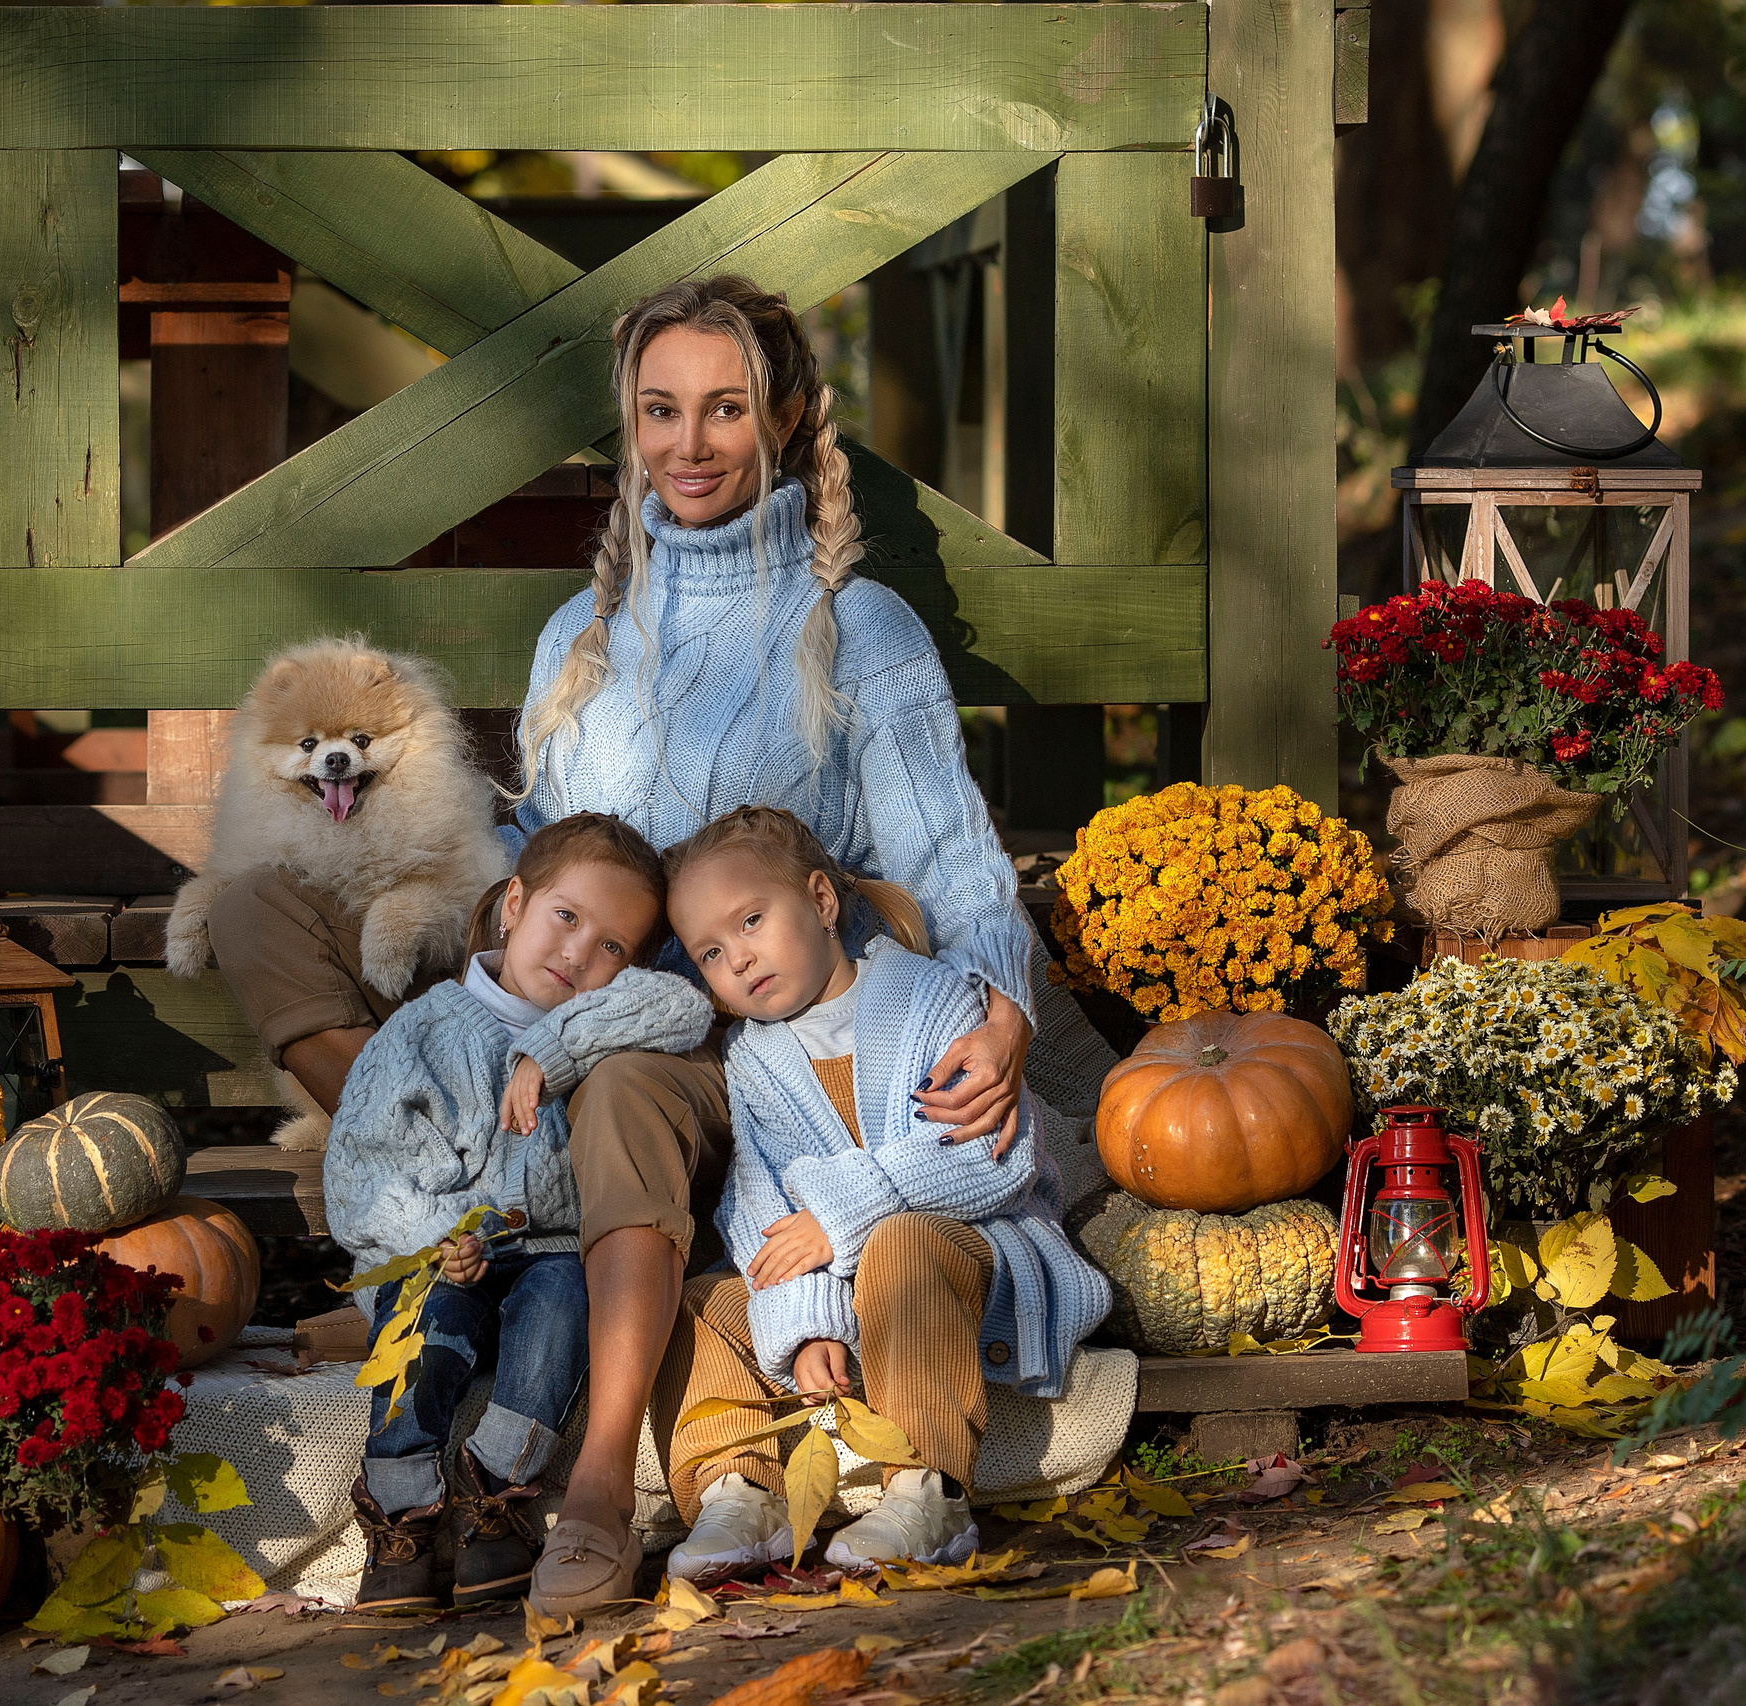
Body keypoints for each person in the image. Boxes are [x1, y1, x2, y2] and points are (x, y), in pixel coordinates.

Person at [206, 274, 1117, 1612]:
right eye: (661, 410)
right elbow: (549, 851)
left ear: (786, 419)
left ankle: (587, 1481)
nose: (689, 445)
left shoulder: (857, 629)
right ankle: (442, 1232)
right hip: (571, 997)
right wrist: (470, 906)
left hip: (743, 1042)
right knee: (265, 903)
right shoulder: (579, 637)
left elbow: (952, 859)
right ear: (629, 426)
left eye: (725, 409)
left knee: (627, 1083)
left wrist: (1002, 1012)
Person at [657, 807, 1110, 1581]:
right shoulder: (753, 1058)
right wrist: (806, 1323)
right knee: (696, 1300)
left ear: (822, 901)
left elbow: (992, 1158)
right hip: (837, 1290)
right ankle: (740, 1493)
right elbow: (761, 1204)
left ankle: (927, 1490)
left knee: (901, 1241)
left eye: (752, 921)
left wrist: (840, 1216)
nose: (740, 957)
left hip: (964, 1261)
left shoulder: (935, 998)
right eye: (711, 952)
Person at [322, 814, 713, 1611]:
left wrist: (556, 1049)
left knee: (566, 1302)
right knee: (424, 1334)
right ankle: (398, 1515)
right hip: (436, 1253)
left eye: (612, 946)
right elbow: (363, 1171)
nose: (577, 953)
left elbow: (684, 1008)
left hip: (551, 1252)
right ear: (513, 905)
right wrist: (439, 1239)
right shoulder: (420, 1033)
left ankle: (496, 1495)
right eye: (565, 917)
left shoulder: (604, 1024)